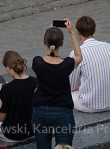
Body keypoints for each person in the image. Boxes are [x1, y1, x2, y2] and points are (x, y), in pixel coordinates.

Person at [31, 21, 81, 149]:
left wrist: (50, 33)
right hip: (62, 113)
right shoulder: (66, 64)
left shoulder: (37, 62)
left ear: (44, 42)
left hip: (40, 112)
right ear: (62, 44)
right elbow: (79, 56)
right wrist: (71, 33)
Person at [69, 15, 110, 112]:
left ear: (78, 32)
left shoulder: (76, 53)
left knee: (68, 94)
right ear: (94, 30)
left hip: (90, 106)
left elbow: (71, 85)